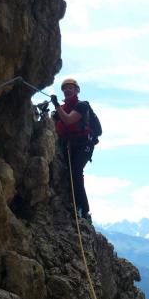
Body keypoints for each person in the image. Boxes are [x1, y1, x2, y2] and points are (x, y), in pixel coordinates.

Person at [51, 78, 94, 222]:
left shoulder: (82, 105)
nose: (67, 90)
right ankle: (76, 205)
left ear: (77, 90)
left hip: (84, 144)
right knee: (70, 173)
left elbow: (69, 120)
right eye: (65, 88)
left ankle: (84, 210)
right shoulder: (63, 108)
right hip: (70, 144)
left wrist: (56, 105)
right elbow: (57, 122)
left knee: (75, 171)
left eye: (71, 88)